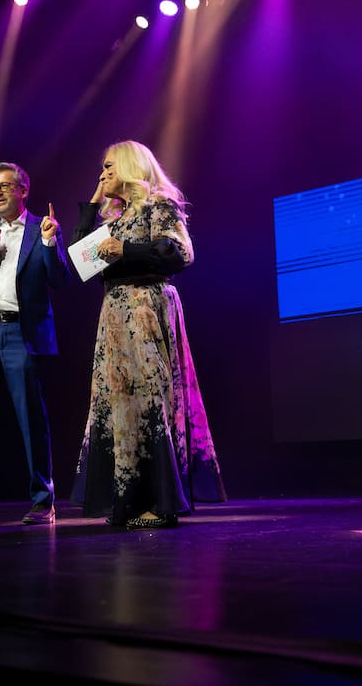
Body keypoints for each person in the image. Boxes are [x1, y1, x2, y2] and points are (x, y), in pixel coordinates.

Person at [70, 140, 226, 529]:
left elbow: (179, 253)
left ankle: (159, 502)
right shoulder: (113, 217)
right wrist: (91, 208)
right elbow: (82, 263)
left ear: (127, 166)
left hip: (146, 308)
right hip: (115, 319)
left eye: (108, 167)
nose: (102, 174)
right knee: (120, 405)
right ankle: (127, 502)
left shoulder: (158, 204)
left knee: (151, 400)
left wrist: (125, 249)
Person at [0, 161, 69, 528]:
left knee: (30, 420)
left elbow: (60, 279)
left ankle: (42, 501)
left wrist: (52, 244)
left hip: (23, 334)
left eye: (5, 185)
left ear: (23, 190)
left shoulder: (42, 230)